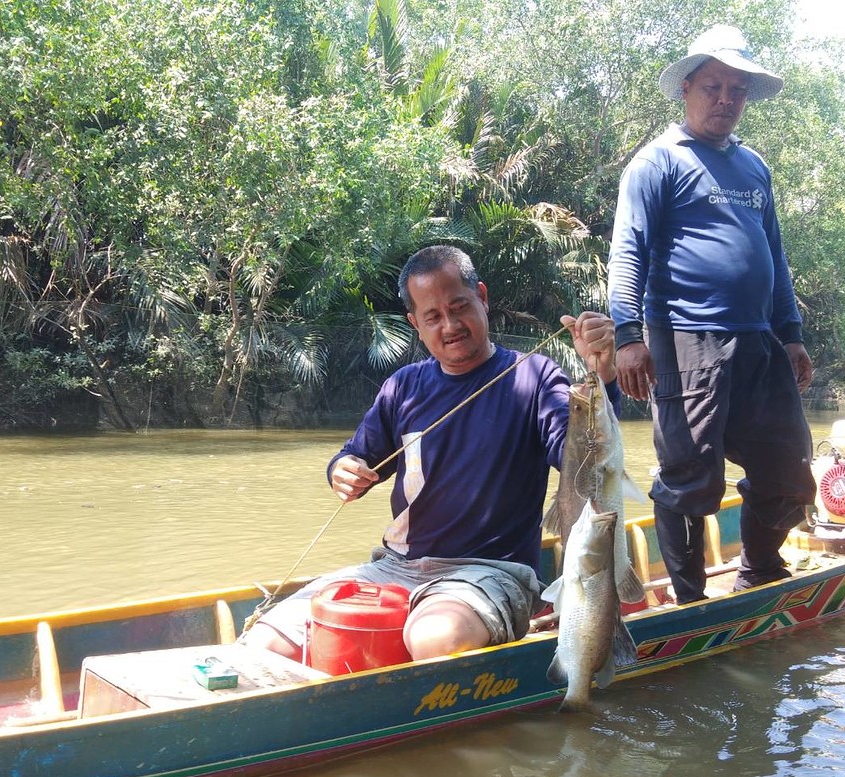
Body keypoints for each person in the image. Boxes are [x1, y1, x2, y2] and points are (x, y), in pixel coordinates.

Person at [244, 244, 619, 662]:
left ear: (482, 296)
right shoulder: (403, 387)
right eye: (433, 316)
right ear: (415, 325)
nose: (450, 324)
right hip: (394, 567)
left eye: (459, 307)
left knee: (435, 638)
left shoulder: (535, 376)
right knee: (267, 640)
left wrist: (599, 378)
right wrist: (343, 470)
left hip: (490, 573)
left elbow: (582, 461)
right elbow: (355, 456)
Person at [607, 24, 816, 604]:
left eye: (737, 89)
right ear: (687, 90)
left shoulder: (754, 168)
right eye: (713, 86)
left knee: (790, 470)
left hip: (759, 341)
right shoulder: (657, 162)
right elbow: (628, 249)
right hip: (684, 337)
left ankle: (759, 573)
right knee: (690, 478)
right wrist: (628, 335)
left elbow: (773, 253)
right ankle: (689, 599)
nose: (726, 99)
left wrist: (791, 334)